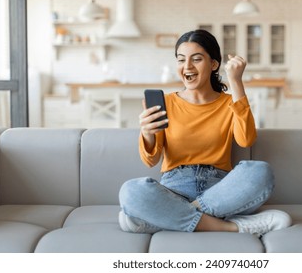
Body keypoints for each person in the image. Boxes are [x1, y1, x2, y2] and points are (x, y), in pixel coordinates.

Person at [118, 29, 291, 236]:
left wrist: (236, 82)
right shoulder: (166, 103)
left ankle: (170, 217)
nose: (187, 66)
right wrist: (147, 132)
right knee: (130, 191)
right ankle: (229, 226)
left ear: (214, 64)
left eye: (197, 59)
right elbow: (150, 161)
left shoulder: (230, 102)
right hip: (173, 188)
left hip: (220, 190)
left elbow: (246, 140)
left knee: (260, 172)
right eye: (181, 60)